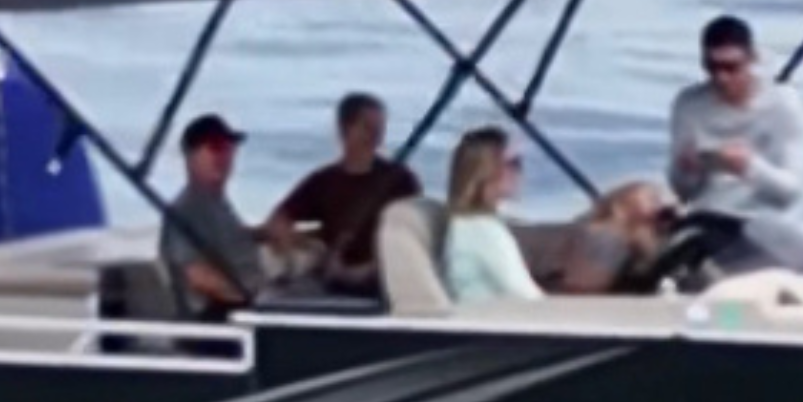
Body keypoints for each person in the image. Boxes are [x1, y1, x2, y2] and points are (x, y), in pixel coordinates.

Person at [667, 15, 803, 274]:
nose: (721, 78)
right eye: (712, 68)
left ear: (751, 59)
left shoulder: (782, 104)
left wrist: (749, 167)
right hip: (710, 216)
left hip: (766, 221)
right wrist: (688, 169)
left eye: (731, 68)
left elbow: (789, 193)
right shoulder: (689, 105)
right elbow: (683, 190)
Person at [264, 89, 421, 293]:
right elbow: (279, 219)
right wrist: (304, 247)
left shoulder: (400, 181)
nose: (375, 137)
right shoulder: (323, 181)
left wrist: (368, 270)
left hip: (385, 280)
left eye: (379, 129)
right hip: (335, 280)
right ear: (344, 129)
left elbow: (414, 236)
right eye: (367, 128)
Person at [161, 112, 271, 316]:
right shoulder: (186, 209)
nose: (224, 157)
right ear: (190, 156)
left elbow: (226, 239)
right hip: (215, 320)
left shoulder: (217, 204)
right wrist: (250, 300)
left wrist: (264, 234)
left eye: (229, 149)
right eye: (215, 148)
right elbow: (196, 275)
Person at [440, 125, 544, 307]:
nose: (520, 171)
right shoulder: (483, 231)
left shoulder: (469, 224)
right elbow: (530, 300)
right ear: (486, 171)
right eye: (513, 163)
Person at [556, 178, 673, 296]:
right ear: (620, 208)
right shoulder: (606, 240)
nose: (661, 207)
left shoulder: (634, 244)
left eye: (659, 200)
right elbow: (580, 298)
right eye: (652, 199)